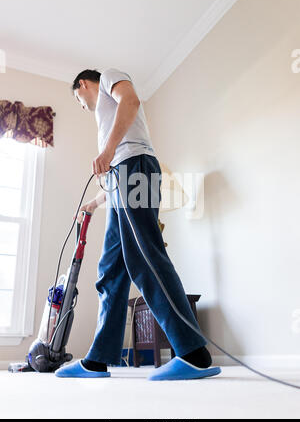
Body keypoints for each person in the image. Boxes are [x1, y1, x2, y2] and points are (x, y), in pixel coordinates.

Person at [55, 68, 221, 380]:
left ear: (82, 84)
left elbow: (130, 102)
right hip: (123, 177)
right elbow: (117, 164)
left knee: (144, 257)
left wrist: (106, 150)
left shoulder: (108, 78)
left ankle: (193, 353)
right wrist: (94, 202)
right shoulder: (106, 123)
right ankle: (98, 359)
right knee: (111, 271)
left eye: (78, 99)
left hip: (135, 171)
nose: (81, 105)